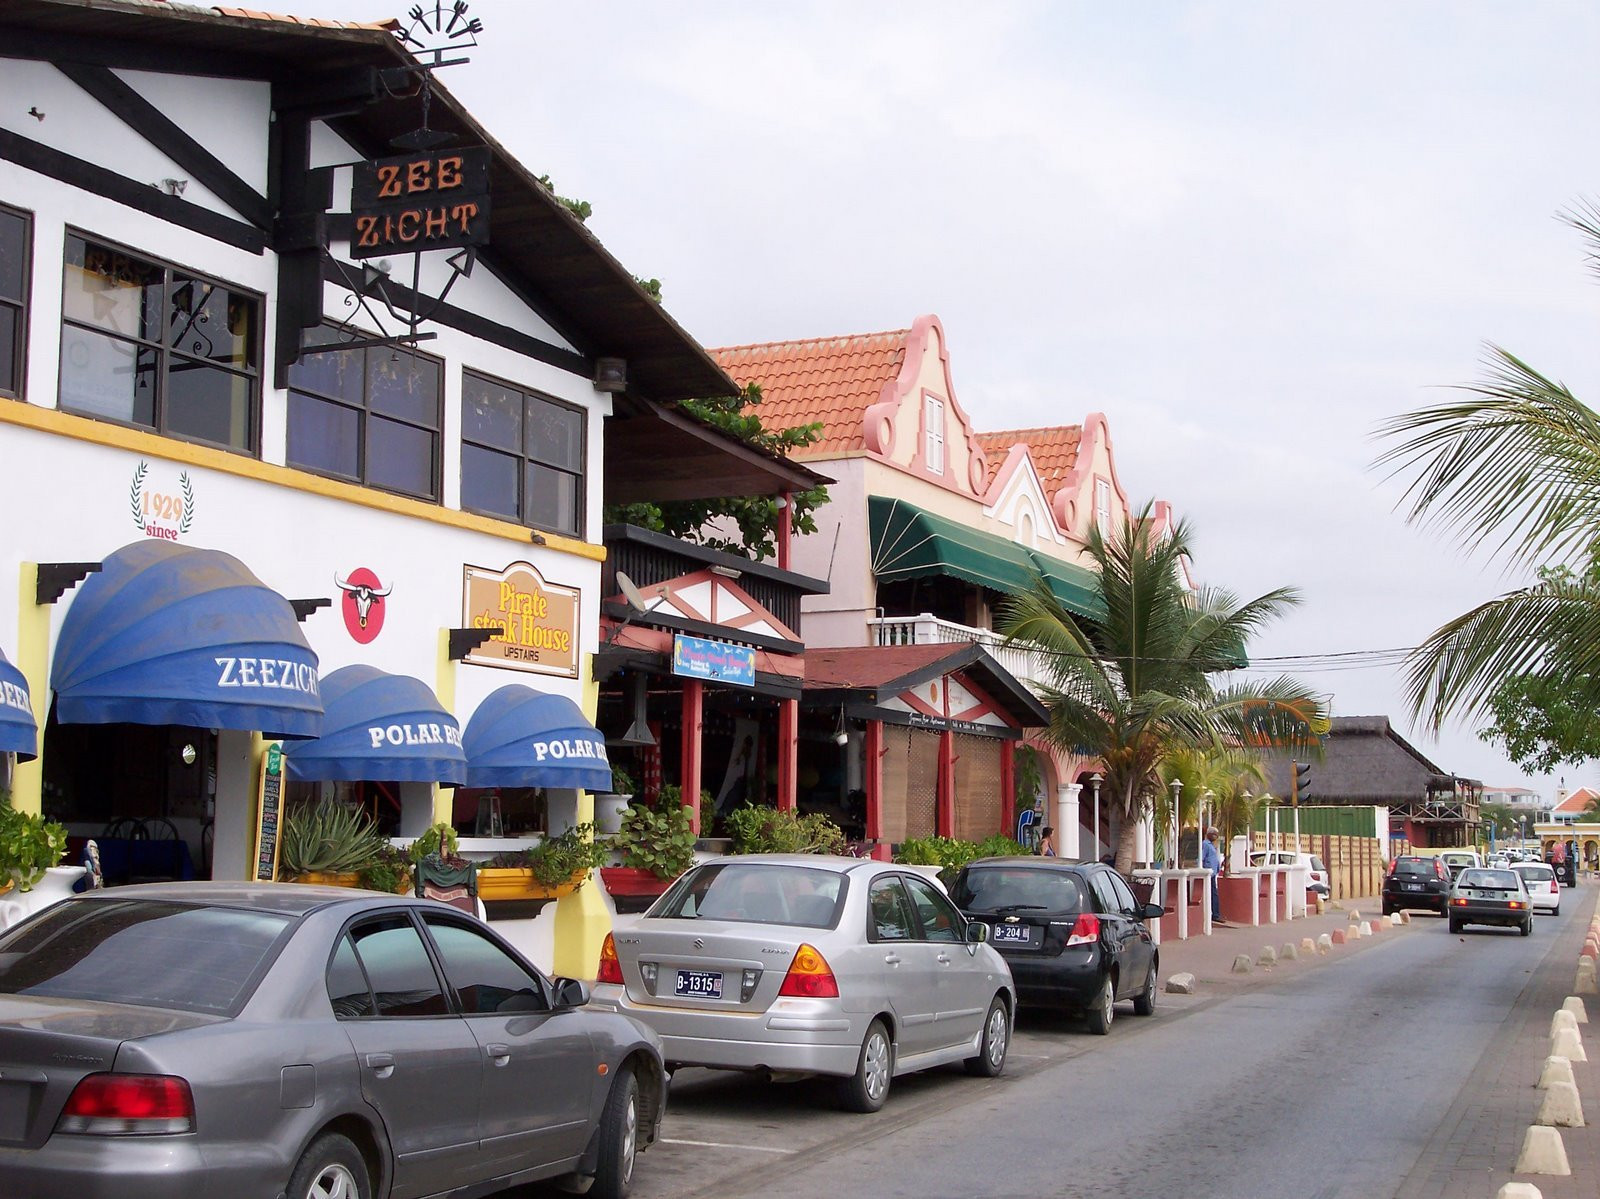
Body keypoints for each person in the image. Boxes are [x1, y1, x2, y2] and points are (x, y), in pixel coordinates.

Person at [1201, 826, 1225, 924]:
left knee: (1213, 894)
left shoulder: (1211, 845)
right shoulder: (1205, 844)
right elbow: (1201, 858)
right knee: (1213, 894)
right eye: (1214, 833)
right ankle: (1215, 914)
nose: (1216, 836)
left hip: (1213, 873)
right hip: (1209, 874)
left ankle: (1215, 913)